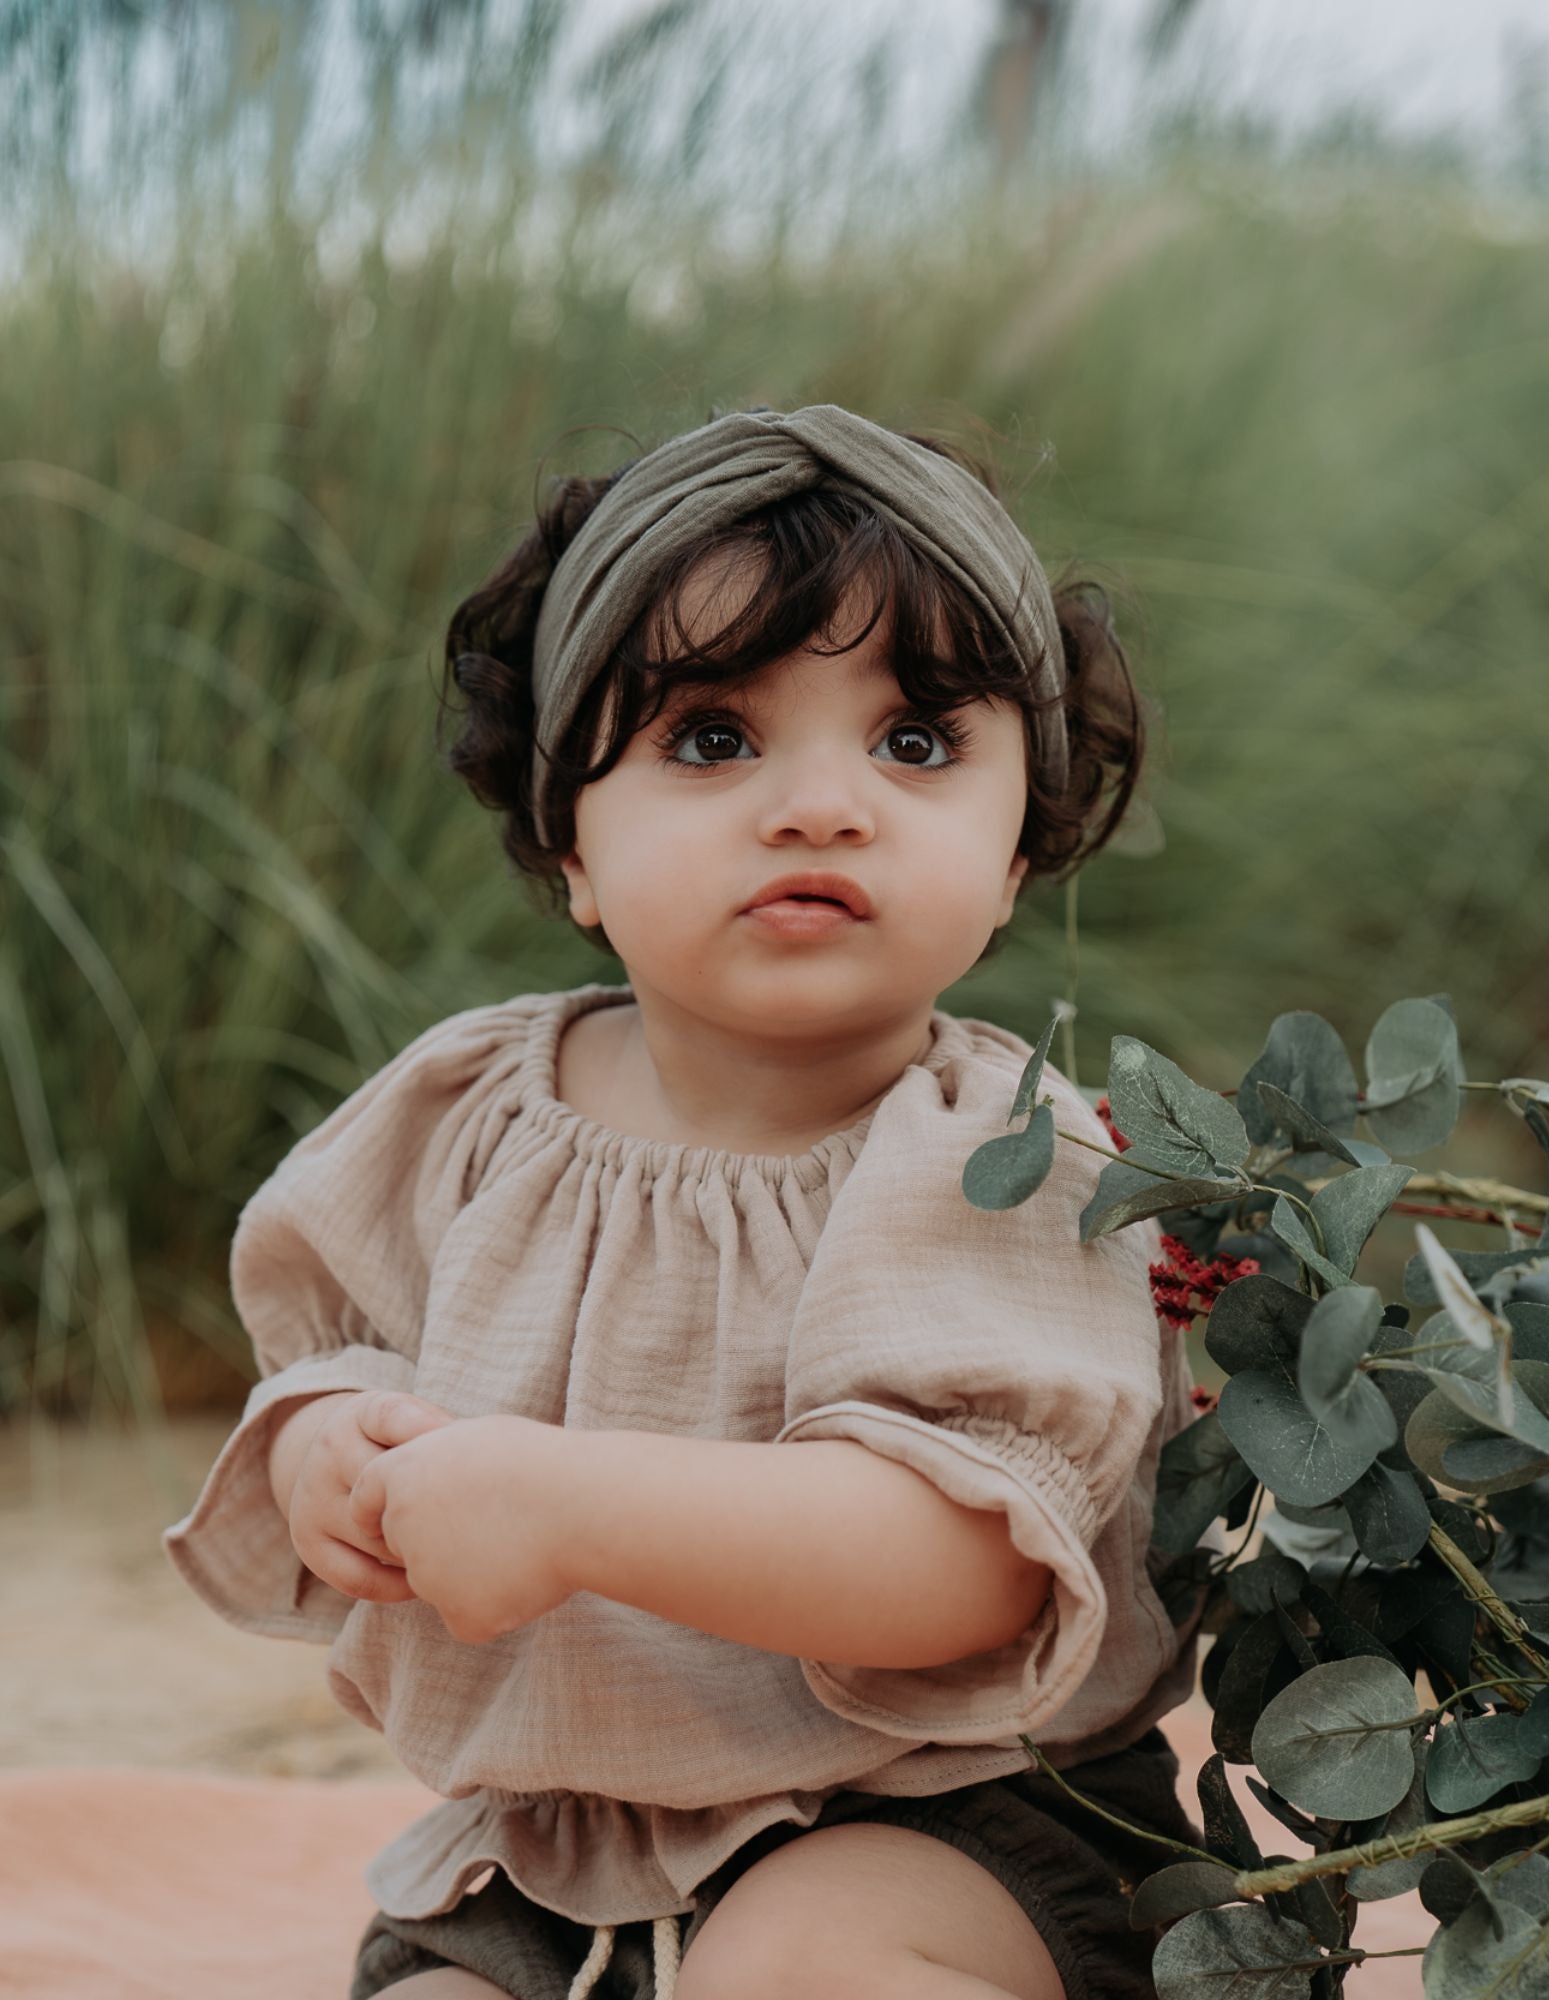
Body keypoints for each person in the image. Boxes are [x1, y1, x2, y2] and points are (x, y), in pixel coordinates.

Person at [163, 402, 1204, 2000]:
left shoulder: (1000, 1152)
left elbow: (965, 1566)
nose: (822, 804)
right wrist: (330, 1441)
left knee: (798, 1973)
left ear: (1014, 858)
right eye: (712, 739)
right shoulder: (464, 1110)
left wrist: (571, 1506)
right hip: (550, 1853)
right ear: (566, 841)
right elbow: (342, 1338)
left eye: (915, 740)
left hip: (953, 1825)